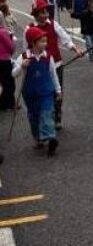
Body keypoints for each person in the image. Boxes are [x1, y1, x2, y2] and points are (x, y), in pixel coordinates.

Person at [25, 0, 81, 129]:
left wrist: (75, 49)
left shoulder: (53, 24)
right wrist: (25, 64)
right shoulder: (29, 28)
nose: (45, 15)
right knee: (42, 92)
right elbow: (25, 49)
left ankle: (56, 117)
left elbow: (65, 39)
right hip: (39, 66)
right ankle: (44, 117)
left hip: (56, 63)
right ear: (35, 14)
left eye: (46, 12)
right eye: (42, 12)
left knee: (57, 90)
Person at [13, 26, 62, 156]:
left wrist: (58, 90)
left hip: (46, 92)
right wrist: (22, 67)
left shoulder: (48, 57)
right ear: (33, 43)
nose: (45, 44)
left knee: (47, 113)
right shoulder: (23, 57)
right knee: (34, 116)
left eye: (45, 41)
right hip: (30, 93)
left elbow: (53, 74)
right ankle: (38, 137)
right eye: (42, 41)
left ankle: (51, 138)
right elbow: (13, 74)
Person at [0, 13, 15, 110]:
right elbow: (10, 47)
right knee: (9, 83)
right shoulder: (2, 32)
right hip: (4, 60)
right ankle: (7, 104)